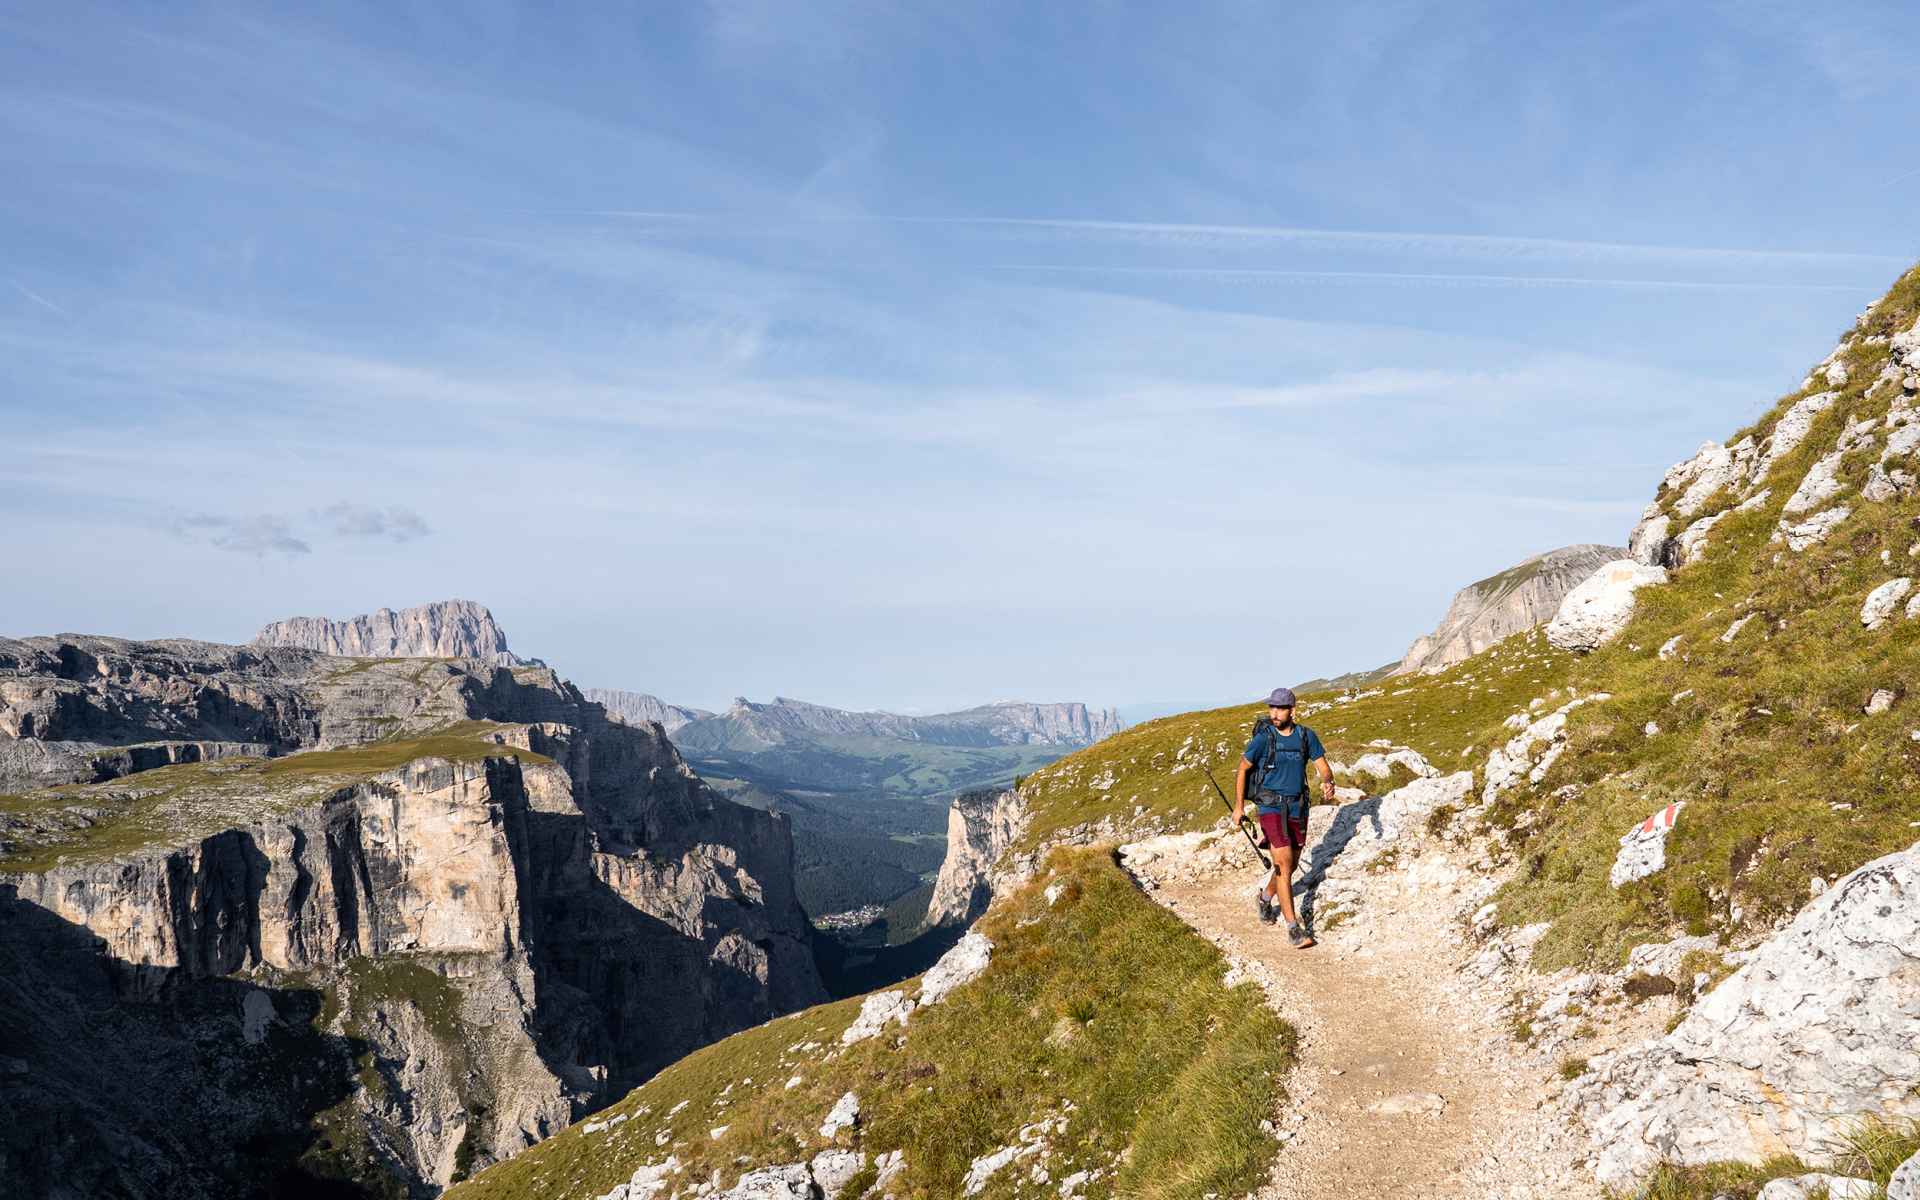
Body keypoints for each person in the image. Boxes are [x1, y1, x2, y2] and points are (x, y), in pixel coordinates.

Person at [1231, 686, 1334, 948]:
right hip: (1271, 807)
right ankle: (1293, 928)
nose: (1274, 713)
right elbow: (1243, 769)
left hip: (1299, 806)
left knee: (1292, 862)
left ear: (1292, 710)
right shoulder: (1263, 739)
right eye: (1272, 708)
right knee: (1284, 863)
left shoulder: (1305, 736)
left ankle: (1265, 899)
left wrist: (1327, 781)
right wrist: (1239, 806)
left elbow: (1322, 765)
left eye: (1280, 708)